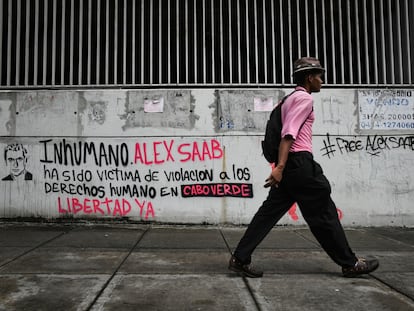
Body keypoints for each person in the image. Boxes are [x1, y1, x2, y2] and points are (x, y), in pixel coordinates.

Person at [228, 57, 379, 278]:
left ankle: (240, 258)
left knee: (268, 214)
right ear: (309, 78)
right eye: (319, 76)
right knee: (324, 213)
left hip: (291, 166)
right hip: (299, 164)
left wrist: (281, 167)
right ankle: (350, 263)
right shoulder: (303, 99)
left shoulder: (288, 99)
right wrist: (279, 167)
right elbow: (288, 134)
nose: (322, 81)